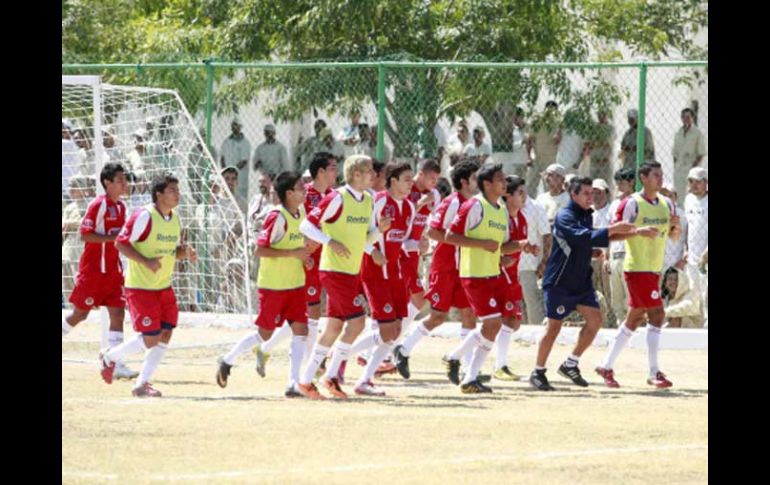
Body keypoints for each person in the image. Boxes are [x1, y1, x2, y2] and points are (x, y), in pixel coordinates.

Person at [295, 155, 390, 400]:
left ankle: (305, 381)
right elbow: (306, 225)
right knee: (357, 322)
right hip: (333, 271)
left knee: (334, 327)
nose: (374, 175)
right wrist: (330, 241)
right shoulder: (337, 197)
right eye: (369, 171)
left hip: (351, 271)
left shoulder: (368, 200)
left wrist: (379, 235)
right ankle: (330, 376)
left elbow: (365, 237)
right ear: (356, 175)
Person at [527, 177, 634, 391]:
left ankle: (571, 363)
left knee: (595, 321)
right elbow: (580, 237)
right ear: (573, 195)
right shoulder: (565, 215)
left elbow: (585, 242)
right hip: (560, 282)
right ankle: (537, 371)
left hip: (580, 282)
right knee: (553, 327)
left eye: (592, 193)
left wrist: (634, 232)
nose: (590, 197)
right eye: (585, 193)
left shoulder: (587, 215)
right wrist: (613, 229)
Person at [100, 172, 198, 397]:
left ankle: (141, 384)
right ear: (159, 194)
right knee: (151, 337)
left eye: (178, 190)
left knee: (166, 333)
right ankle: (110, 356)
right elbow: (120, 244)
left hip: (163, 286)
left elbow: (173, 252)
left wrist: (186, 253)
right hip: (141, 287)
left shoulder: (174, 218)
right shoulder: (144, 215)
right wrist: (146, 262)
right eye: (172, 190)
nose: (177, 194)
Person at [216, 171, 312, 397]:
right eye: (300, 187)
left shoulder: (301, 213)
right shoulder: (276, 217)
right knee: (264, 334)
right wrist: (292, 253)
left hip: (295, 283)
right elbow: (260, 250)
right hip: (273, 285)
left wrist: (304, 257)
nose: (305, 190)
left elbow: (298, 245)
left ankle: (293, 383)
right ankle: (228, 360)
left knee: (301, 329)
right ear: (289, 193)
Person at [442, 164, 529, 393]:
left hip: (493, 274)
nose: (504, 183)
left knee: (493, 326)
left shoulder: (500, 210)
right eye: (500, 179)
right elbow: (451, 236)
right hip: (474, 274)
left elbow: (500, 245)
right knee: (492, 324)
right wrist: (482, 245)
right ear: (487, 183)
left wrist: (519, 246)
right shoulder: (474, 206)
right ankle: (455, 358)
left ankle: (468, 376)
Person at [596, 161, 682, 389]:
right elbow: (612, 235)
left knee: (634, 318)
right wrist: (637, 231)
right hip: (636, 268)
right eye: (655, 175)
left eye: (661, 175)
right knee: (656, 314)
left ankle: (606, 365)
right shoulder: (631, 203)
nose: (660, 179)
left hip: (654, 269)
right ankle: (654, 372)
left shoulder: (667, 204)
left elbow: (673, 236)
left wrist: (676, 227)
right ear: (643, 178)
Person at [393, 161, 481, 379]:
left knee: (469, 314)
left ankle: (467, 369)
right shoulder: (453, 202)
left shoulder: (474, 203)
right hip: (445, 267)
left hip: (464, 267)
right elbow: (433, 231)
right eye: (474, 178)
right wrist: (461, 242)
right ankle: (403, 349)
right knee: (438, 316)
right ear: (464, 181)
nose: (478, 182)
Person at [62, 163, 138, 380]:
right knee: (80, 314)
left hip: (113, 272)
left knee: (117, 312)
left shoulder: (122, 207)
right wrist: (113, 238)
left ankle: (115, 362)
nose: (124, 184)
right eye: (120, 180)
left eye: (125, 179)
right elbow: (85, 235)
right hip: (94, 272)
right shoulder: (98, 205)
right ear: (107, 182)